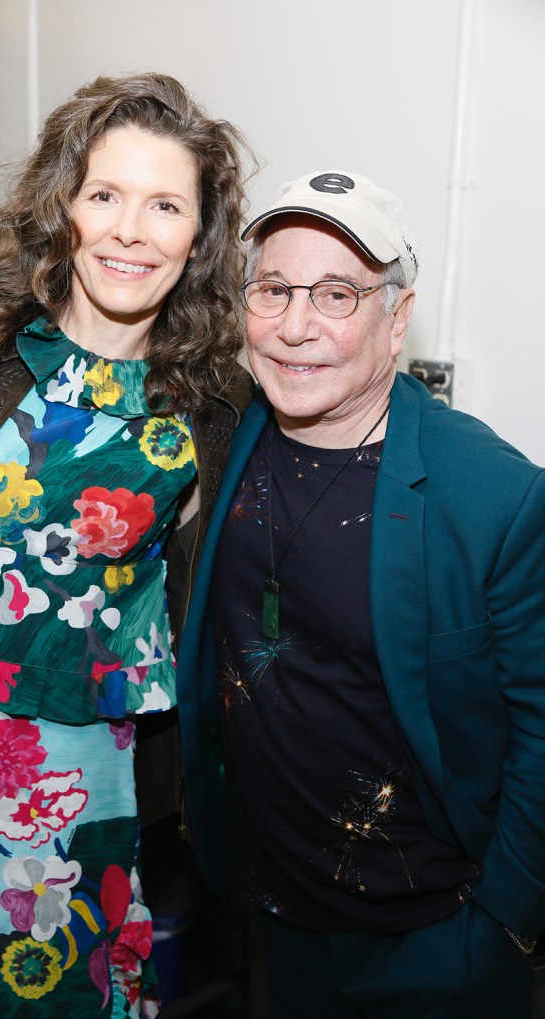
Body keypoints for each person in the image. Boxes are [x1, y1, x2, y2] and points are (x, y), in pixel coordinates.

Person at [0, 72, 254, 1018]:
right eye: (105, 195)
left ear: (198, 236)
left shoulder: (215, 404)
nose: (130, 229)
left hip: (83, 792)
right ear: (64, 205)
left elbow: (216, 611)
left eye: (165, 204)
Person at [176, 170, 545, 1018]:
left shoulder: (493, 494)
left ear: (397, 318)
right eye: (273, 288)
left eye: (336, 293)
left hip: (434, 937)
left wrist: (507, 925)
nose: (296, 326)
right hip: (270, 918)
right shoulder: (221, 434)